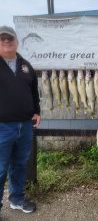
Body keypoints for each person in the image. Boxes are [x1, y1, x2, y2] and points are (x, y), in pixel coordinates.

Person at [0, 26, 41, 214]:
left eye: (10, 39)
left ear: (17, 42)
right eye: (2, 39)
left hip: (24, 125)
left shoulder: (26, 66)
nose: (7, 42)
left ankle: (16, 199)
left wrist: (37, 111)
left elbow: (34, 92)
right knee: (0, 168)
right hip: (2, 127)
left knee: (19, 164)